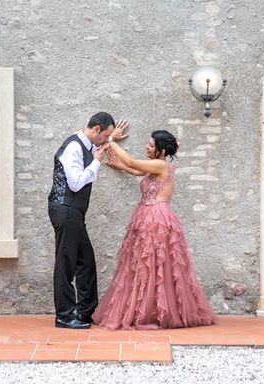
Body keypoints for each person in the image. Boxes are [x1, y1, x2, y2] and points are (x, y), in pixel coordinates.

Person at [92, 130, 217, 330]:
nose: (147, 147)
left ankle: (156, 311)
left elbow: (133, 163)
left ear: (162, 149)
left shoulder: (161, 164)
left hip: (156, 218)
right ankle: (150, 308)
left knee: (155, 264)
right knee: (146, 263)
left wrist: (110, 140)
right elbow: (135, 170)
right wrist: (119, 164)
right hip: (147, 216)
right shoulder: (154, 167)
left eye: (151, 145)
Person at [48, 112, 128, 329]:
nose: (107, 140)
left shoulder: (89, 143)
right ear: (96, 130)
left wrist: (111, 138)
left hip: (74, 212)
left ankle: (85, 312)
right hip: (66, 209)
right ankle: (64, 315)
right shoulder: (74, 147)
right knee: (66, 263)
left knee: (86, 262)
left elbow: (99, 145)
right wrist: (96, 163)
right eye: (106, 135)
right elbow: (75, 183)